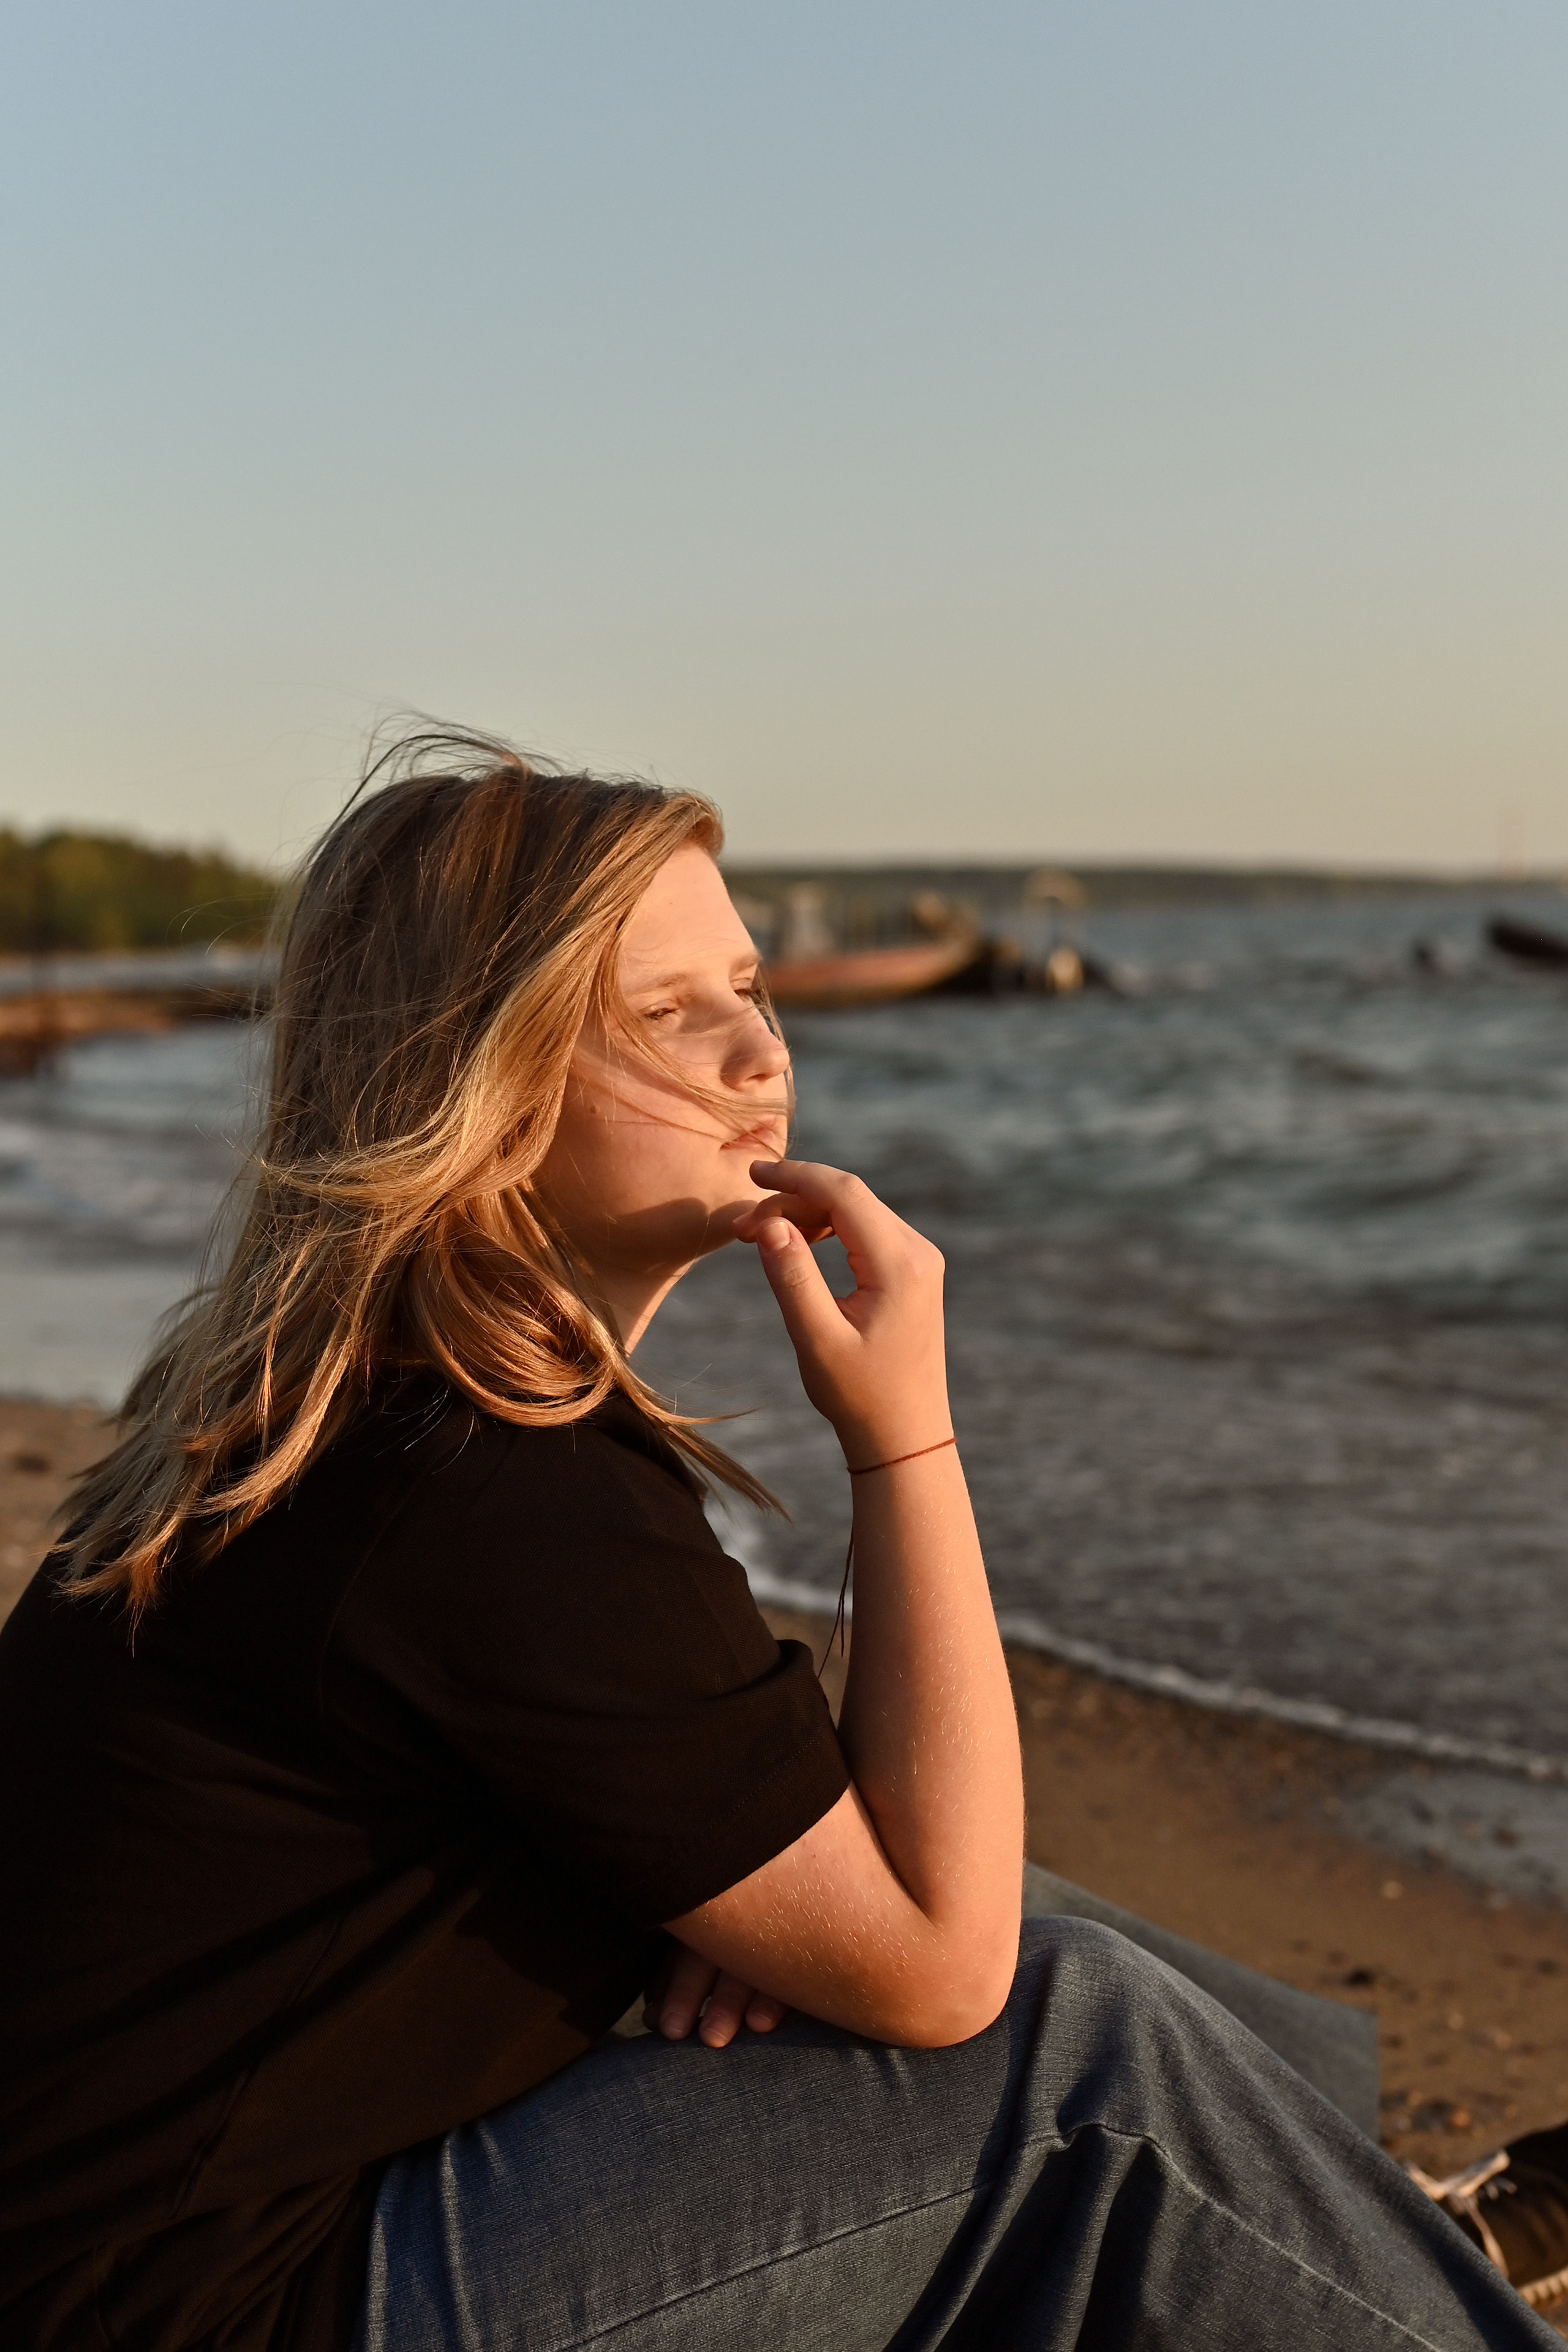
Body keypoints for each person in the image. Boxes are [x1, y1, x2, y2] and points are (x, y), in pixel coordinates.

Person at [0, 730, 1558, 2352]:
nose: (762, 1055)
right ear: (482, 1077)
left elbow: (864, 1872)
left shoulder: (383, 1413)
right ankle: (1368, 2268)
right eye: (676, 1016)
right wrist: (904, 1432)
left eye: (754, 988)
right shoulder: (483, 1496)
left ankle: (1363, 2232)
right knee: (1070, 2061)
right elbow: (947, 1975)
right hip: (206, 2312)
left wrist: (738, 1920)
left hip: (202, 2242)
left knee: (988, 1898)